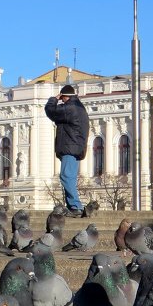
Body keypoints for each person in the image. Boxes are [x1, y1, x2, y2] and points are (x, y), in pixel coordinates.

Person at [44, 83, 90, 217]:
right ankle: (73, 207)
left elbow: (50, 111)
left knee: (65, 176)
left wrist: (54, 99)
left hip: (70, 148)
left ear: (65, 97)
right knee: (69, 177)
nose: (61, 100)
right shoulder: (80, 108)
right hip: (75, 148)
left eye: (62, 97)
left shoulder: (70, 108)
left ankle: (76, 206)